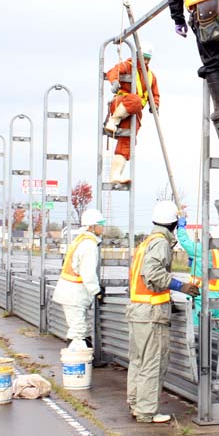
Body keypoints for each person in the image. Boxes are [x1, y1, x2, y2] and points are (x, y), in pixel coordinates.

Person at [127, 200, 200, 423]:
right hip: (151, 312)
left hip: (138, 310)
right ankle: (147, 411)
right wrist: (181, 286)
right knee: (153, 361)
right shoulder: (160, 244)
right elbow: (153, 275)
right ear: (173, 224)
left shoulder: (148, 241)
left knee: (138, 360)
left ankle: (136, 403)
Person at [104, 48, 161, 185]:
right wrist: (114, 82)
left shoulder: (151, 76)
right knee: (135, 100)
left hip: (134, 113)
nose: (145, 61)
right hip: (121, 103)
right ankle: (113, 120)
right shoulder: (128, 66)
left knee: (127, 142)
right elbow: (114, 71)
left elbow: (155, 93)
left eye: (148, 58)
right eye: (144, 57)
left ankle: (115, 175)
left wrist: (156, 105)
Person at [51, 208, 104, 351]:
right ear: (92, 226)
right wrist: (96, 291)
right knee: (78, 330)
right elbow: (88, 273)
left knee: (81, 328)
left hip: (72, 293)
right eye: (101, 223)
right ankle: (76, 366)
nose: (103, 227)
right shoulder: (89, 245)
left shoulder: (81, 240)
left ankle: (87, 359)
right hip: (74, 294)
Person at [175, 214, 219, 330]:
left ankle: (201, 347)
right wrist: (195, 262)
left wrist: (181, 226)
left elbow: (184, 241)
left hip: (201, 294)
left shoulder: (202, 249)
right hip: (217, 294)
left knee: (199, 328)